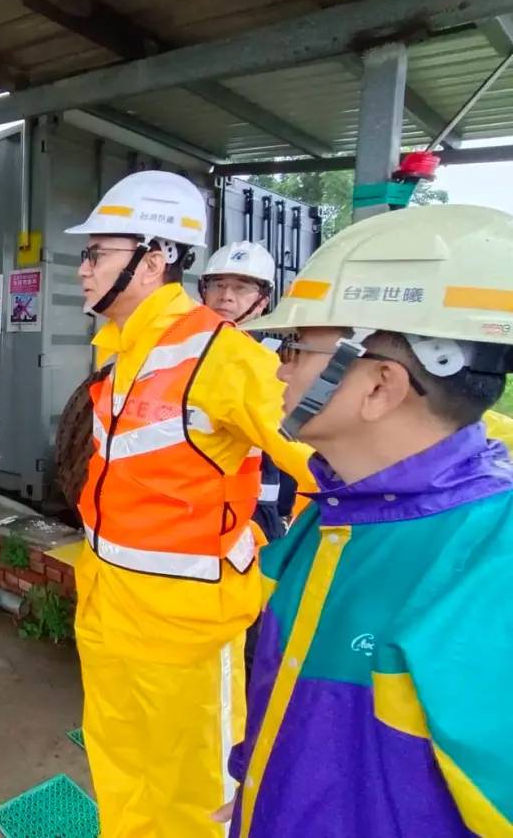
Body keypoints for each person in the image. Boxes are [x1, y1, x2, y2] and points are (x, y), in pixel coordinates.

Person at [223, 204, 513, 836]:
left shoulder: (495, 567)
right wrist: (260, 782)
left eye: (296, 348)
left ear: (380, 386)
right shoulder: (331, 515)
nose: (278, 366)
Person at [67, 171, 313, 838]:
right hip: (111, 611)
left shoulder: (223, 357)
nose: (83, 271)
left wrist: (278, 565)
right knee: (119, 768)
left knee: (196, 795)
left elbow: (346, 457)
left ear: (152, 262)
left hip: (187, 632)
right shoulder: (121, 354)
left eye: (97, 254)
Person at [198, 241, 299, 678]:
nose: (226, 297)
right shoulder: (187, 353)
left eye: (241, 287)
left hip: (260, 513)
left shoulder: (283, 361)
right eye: (217, 285)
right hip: (201, 510)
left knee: (255, 624)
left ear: (263, 299)